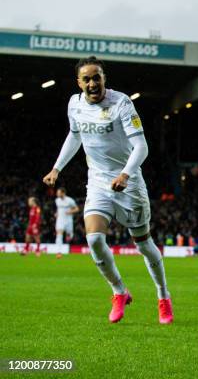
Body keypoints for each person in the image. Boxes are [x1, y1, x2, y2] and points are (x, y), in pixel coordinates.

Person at [43, 56, 173, 324]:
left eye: (97, 77)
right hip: (99, 183)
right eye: (87, 79)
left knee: (144, 245)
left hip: (130, 184)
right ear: (79, 82)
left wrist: (125, 174)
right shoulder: (74, 104)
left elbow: (142, 146)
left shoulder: (121, 103)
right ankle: (119, 291)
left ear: (104, 78)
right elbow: (75, 134)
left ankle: (163, 297)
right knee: (94, 239)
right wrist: (57, 168)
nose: (92, 83)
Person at [54, 187, 79, 257]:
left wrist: (70, 211)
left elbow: (77, 209)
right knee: (59, 234)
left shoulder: (70, 200)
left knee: (69, 235)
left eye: (58, 192)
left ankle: (69, 235)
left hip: (68, 220)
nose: (57, 194)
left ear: (63, 193)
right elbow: (58, 209)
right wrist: (57, 213)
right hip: (60, 220)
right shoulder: (57, 200)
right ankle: (58, 252)